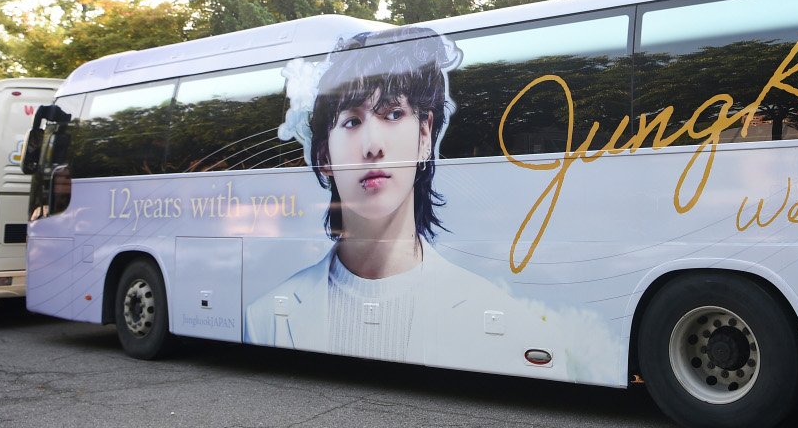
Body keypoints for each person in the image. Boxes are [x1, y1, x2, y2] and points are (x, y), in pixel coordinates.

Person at [244, 28, 609, 377]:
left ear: (424, 135)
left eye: (393, 114)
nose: (373, 146)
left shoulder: (509, 322)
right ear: (324, 154)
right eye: (352, 121)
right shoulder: (263, 318)